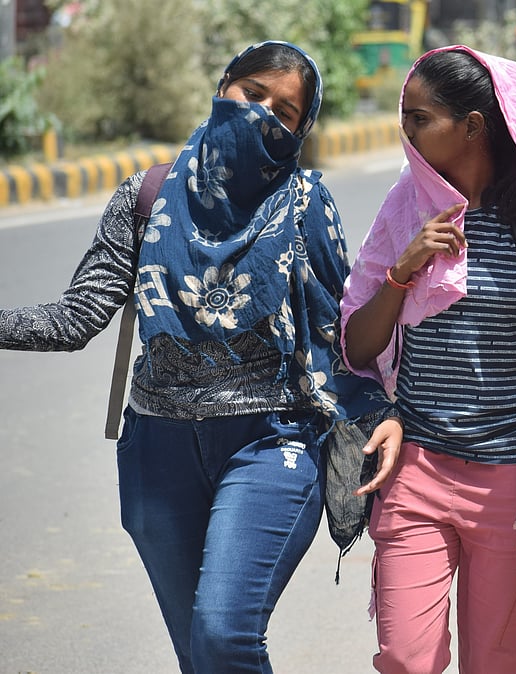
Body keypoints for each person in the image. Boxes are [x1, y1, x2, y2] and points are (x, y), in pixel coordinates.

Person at [0, 41, 404, 672]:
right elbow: (75, 319)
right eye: (252, 93)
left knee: (222, 635)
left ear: (301, 130)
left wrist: (380, 406)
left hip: (271, 441)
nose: (263, 113)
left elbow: (338, 331)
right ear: (222, 89)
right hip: (157, 449)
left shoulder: (305, 204)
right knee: (201, 657)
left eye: (286, 111)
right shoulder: (148, 197)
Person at [339, 45, 516, 674]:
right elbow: (359, 347)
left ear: (473, 126)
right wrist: (403, 270)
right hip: (415, 470)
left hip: (513, 480)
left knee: (496, 663)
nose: (407, 131)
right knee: (403, 657)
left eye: (421, 118)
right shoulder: (407, 212)